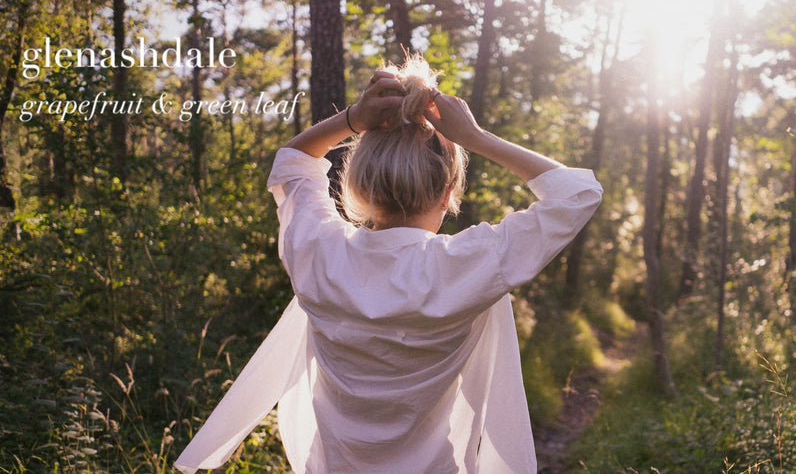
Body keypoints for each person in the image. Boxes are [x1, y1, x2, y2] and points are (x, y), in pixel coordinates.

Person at [174, 56, 602, 474]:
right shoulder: (464, 266)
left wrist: (353, 118)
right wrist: (474, 136)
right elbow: (578, 194)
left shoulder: (321, 253)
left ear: (358, 182)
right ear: (449, 189)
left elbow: (293, 164)